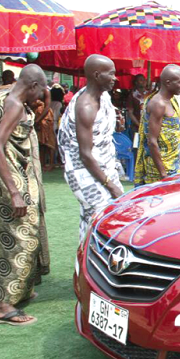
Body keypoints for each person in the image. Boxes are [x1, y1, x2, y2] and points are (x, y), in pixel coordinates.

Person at [0, 64, 50, 326]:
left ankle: (19, 289)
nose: (40, 99)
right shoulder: (15, 105)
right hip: (10, 181)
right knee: (24, 236)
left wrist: (46, 97)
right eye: (40, 92)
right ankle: (4, 306)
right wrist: (15, 193)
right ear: (31, 86)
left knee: (7, 235)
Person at [58, 55, 125, 242]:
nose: (115, 78)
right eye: (110, 74)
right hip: (83, 171)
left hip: (102, 167)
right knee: (100, 219)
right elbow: (85, 155)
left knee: (94, 220)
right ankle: (91, 263)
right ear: (97, 75)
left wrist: (116, 122)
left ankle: (86, 264)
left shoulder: (103, 97)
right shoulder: (85, 106)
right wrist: (111, 186)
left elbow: (102, 131)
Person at [135, 64, 180, 186]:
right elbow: (152, 141)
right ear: (168, 83)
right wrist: (164, 174)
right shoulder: (158, 104)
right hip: (160, 168)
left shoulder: (173, 101)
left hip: (173, 163)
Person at [34, 89, 56, 171]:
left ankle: (51, 164)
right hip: (37, 116)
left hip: (45, 117)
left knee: (49, 142)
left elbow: (47, 107)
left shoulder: (46, 91)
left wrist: (38, 120)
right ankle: (42, 164)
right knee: (41, 142)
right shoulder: (33, 89)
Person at [126, 74, 149, 145]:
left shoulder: (150, 94)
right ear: (136, 82)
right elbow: (130, 113)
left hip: (148, 127)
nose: (144, 81)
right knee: (136, 146)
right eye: (141, 80)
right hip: (136, 127)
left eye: (144, 79)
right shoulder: (132, 95)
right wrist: (139, 124)